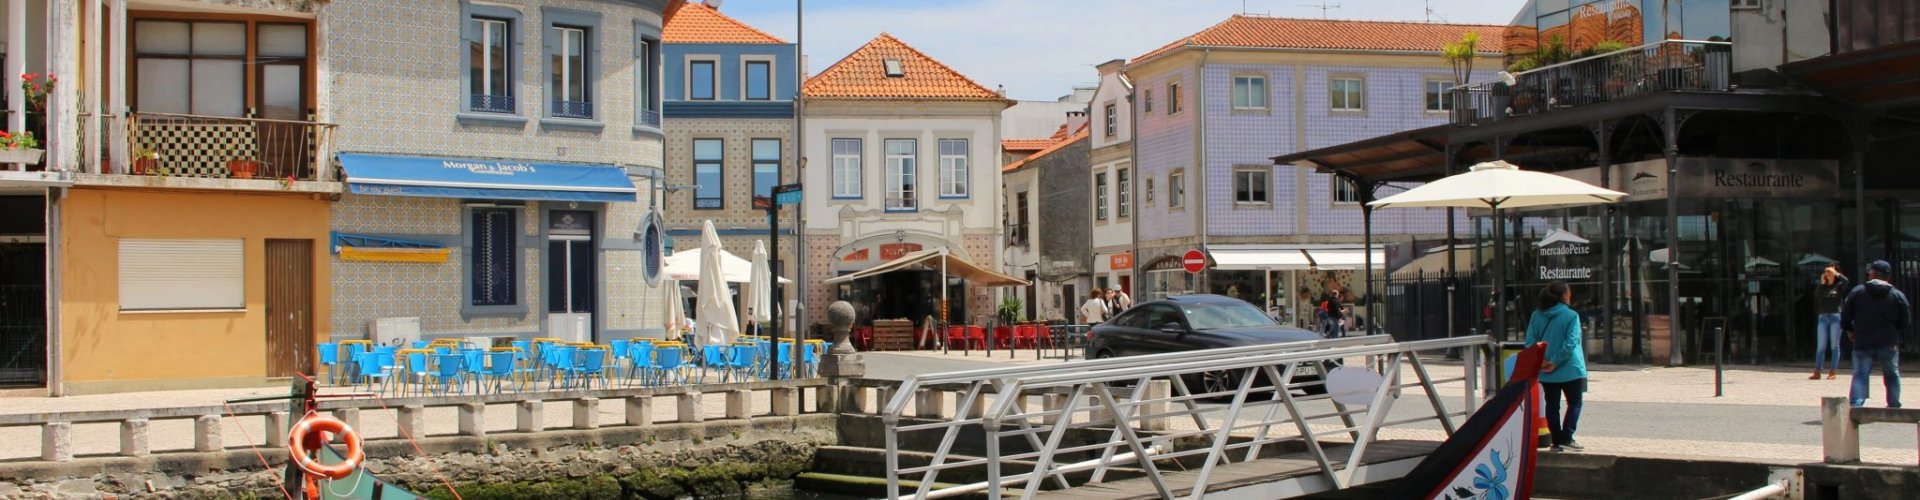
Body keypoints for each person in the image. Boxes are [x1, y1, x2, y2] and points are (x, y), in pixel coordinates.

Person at [1523, 281, 1588, 451]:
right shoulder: (1571, 316)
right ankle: (1567, 436)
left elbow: (1530, 342)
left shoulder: (1536, 316)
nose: (1570, 294)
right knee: (1575, 402)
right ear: (1563, 296)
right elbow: (1571, 342)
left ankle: (1556, 440)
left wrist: (1543, 361)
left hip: (1546, 371)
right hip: (1570, 368)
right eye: (1568, 292)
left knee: (1552, 404)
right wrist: (1556, 361)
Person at [1842, 260, 1907, 408]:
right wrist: (1894, 332)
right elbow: (1905, 320)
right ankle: (1894, 404)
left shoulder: (1858, 292)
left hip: (1863, 341)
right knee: (1892, 374)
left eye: (1870, 272)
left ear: (1873, 274)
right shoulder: (1896, 295)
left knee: (1860, 374)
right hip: (1888, 342)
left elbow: (1845, 315)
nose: (1868, 274)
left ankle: (1856, 405)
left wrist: (1850, 330)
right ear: (1887, 277)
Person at [1813, 263, 1851, 380]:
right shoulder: (1823, 285)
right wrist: (1822, 282)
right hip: (1823, 317)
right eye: (1827, 271)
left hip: (1835, 316)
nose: (1828, 274)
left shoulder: (1839, 285)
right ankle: (1818, 371)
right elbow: (1817, 295)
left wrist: (1836, 274)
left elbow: (1846, 281)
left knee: (1834, 344)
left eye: (1830, 272)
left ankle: (1833, 371)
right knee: (1821, 345)